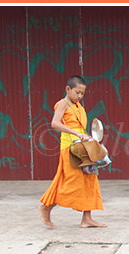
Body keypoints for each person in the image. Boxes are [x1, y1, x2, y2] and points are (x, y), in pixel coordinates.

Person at [39, 75, 107, 228]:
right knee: (71, 184)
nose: (79, 96)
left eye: (82, 93)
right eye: (77, 92)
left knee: (90, 179)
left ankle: (87, 218)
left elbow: (79, 128)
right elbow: (55, 123)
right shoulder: (63, 104)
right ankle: (46, 207)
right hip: (70, 149)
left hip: (82, 149)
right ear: (68, 89)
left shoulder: (78, 106)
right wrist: (77, 134)